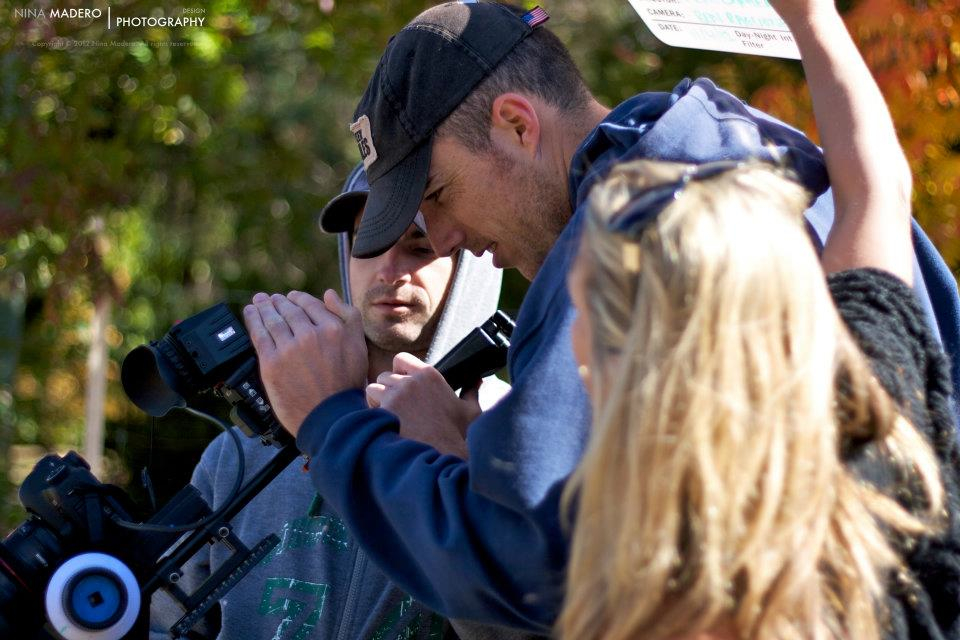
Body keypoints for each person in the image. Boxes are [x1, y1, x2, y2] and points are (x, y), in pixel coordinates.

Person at [241, 1, 960, 632]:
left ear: (517, 125)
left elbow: (537, 560)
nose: (448, 236)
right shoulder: (753, 149)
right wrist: (813, 21)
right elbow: (879, 189)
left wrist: (337, 426)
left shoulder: (617, 245)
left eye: (437, 194)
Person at [559, 0, 960, 637]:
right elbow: (873, 189)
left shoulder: (647, 597)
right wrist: (811, 17)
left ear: (631, 364)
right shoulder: (873, 419)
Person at [149, 165, 524, 640]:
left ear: (468, 260)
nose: (389, 270)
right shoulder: (243, 451)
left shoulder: (523, 438)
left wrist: (462, 465)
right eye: (368, 242)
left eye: (418, 245)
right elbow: (161, 623)